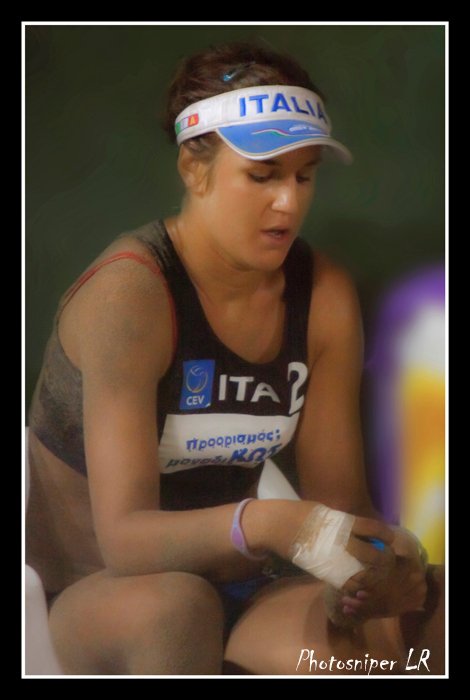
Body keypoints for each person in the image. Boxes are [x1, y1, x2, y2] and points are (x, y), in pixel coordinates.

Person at [26, 40, 445, 676]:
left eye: (304, 175)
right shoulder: (130, 293)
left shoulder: (323, 294)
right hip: (101, 593)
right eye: (263, 175)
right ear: (194, 170)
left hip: (251, 587)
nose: (289, 203)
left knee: (433, 609)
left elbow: (339, 507)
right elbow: (125, 540)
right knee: (177, 610)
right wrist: (273, 524)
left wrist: (385, 566)